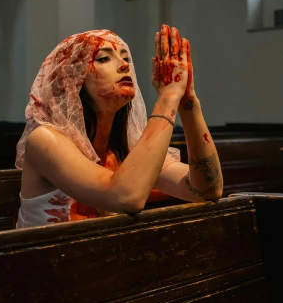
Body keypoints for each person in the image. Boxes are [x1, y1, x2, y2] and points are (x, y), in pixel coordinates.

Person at [15, 26, 223, 228]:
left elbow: (205, 190)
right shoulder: (45, 139)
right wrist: (168, 97)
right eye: (104, 58)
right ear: (71, 80)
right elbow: (125, 197)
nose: (124, 65)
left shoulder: (125, 147)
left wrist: (188, 103)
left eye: (125, 57)